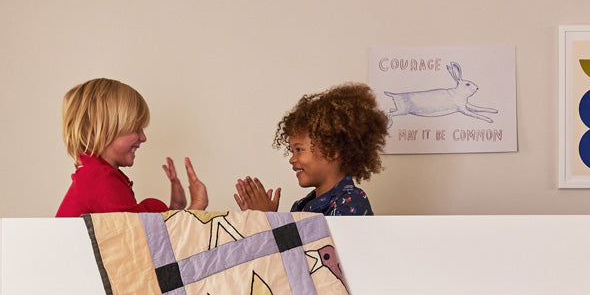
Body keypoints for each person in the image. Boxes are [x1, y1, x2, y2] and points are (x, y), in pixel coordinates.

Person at [56, 78, 207, 217]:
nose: (143, 137)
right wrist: (196, 207)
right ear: (100, 130)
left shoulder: (94, 175)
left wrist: (175, 208)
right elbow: (143, 238)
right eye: (136, 129)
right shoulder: (100, 179)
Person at [234, 82, 388, 216]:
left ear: (332, 150)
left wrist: (268, 220)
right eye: (292, 150)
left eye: (299, 150)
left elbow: (314, 249)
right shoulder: (301, 205)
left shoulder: (352, 203)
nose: (292, 159)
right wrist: (266, 219)